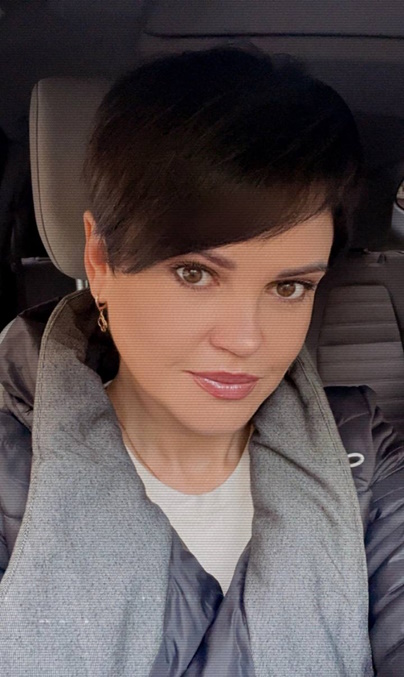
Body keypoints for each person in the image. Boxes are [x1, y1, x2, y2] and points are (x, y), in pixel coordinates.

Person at [0, 44, 403, 676]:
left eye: (289, 287)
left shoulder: (364, 456)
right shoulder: (10, 471)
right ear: (100, 261)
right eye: (194, 274)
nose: (246, 340)